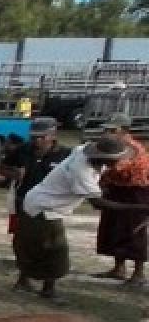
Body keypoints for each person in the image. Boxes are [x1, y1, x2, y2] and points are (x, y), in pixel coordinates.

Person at [15, 135, 136, 303]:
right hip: (46, 208)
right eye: (115, 160)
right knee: (56, 250)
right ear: (102, 158)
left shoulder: (84, 153)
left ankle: (23, 281)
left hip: (40, 201)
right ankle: (48, 291)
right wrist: (137, 209)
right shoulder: (82, 171)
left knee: (34, 245)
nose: (117, 163)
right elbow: (97, 204)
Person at [94, 112, 149, 285]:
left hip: (136, 191)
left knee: (134, 229)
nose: (108, 132)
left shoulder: (131, 147)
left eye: (112, 129)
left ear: (123, 130)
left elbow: (116, 167)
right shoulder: (115, 144)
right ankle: (119, 268)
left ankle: (138, 273)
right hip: (117, 189)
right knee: (114, 227)